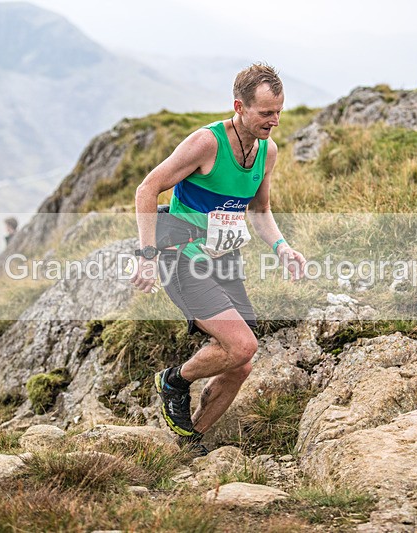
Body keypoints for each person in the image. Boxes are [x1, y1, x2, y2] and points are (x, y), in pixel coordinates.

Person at [131, 63, 306, 455]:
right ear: (239, 107)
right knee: (243, 345)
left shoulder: (267, 151)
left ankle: (188, 442)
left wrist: (283, 248)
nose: (274, 121)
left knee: (240, 363)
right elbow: (147, 189)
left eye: (278, 111)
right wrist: (145, 255)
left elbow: (259, 211)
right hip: (183, 257)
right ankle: (174, 380)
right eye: (265, 113)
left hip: (224, 260)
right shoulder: (206, 144)